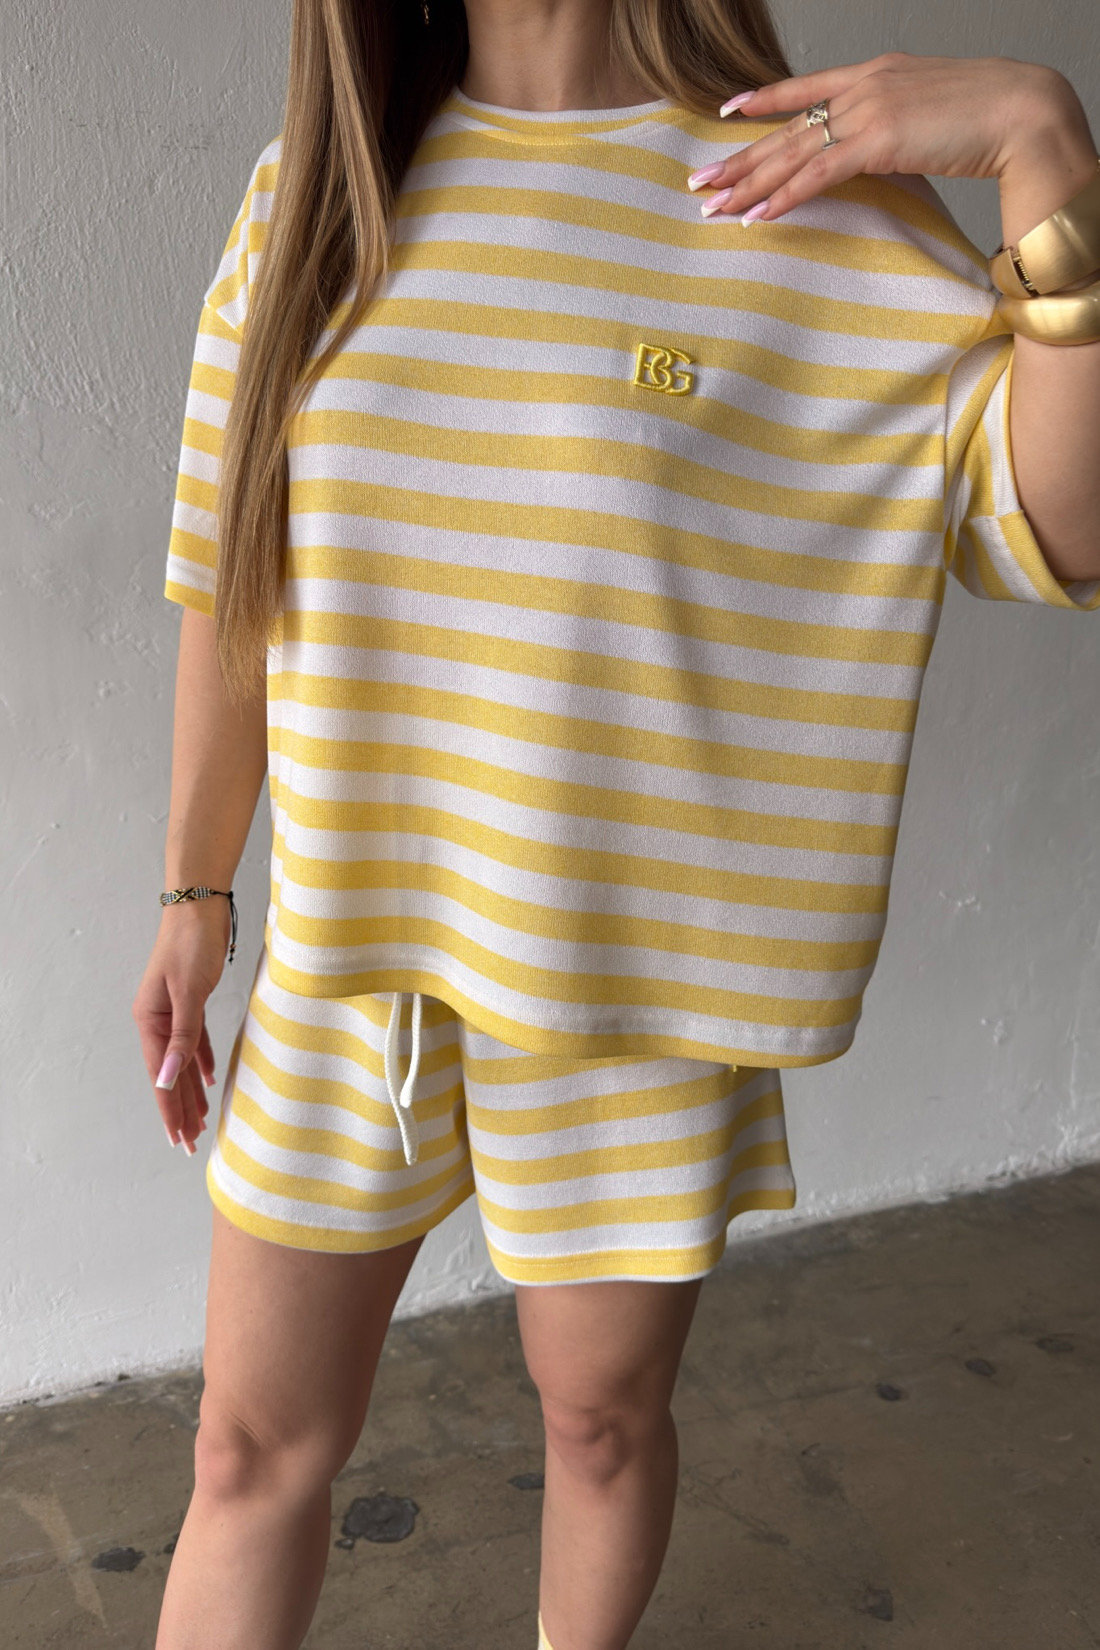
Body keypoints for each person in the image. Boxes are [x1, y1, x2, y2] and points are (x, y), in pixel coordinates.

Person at [132, 1, 1100, 1645]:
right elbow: (234, 577)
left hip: (634, 980)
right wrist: (191, 887)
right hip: (358, 962)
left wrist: (1042, 140)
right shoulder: (319, 192)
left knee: (598, 1424)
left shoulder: (801, 194)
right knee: (245, 1450)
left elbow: (1061, 529)